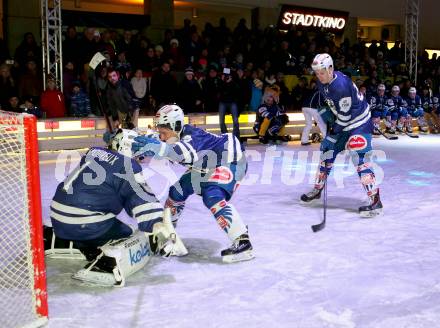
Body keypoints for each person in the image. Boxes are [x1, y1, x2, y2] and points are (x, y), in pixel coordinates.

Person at [44, 129, 184, 286]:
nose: (140, 157)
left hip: (57, 215)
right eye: (137, 151)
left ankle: (54, 238)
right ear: (126, 147)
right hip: (85, 222)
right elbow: (142, 200)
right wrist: (157, 227)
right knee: (129, 235)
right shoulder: (127, 165)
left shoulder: (94, 152)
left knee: (98, 223)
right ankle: (106, 265)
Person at [132, 105, 254, 263]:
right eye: (159, 132)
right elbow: (155, 142)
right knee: (177, 191)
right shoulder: (173, 135)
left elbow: (180, 151)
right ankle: (167, 232)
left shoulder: (192, 137)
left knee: (212, 196)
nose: (161, 137)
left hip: (230, 158)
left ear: (175, 126)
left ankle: (243, 241)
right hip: (206, 165)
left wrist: (156, 148)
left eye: (163, 133)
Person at [300, 53, 383, 217]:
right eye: (316, 72)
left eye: (322, 72)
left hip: (359, 123)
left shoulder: (341, 85)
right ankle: (318, 189)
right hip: (344, 122)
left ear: (330, 68)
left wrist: (333, 130)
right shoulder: (321, 81)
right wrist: (328, 117)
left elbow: (344, 117)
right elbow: (332, 106)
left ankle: (375, 201)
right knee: (326, 150)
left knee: (359, 157)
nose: (319, 76)